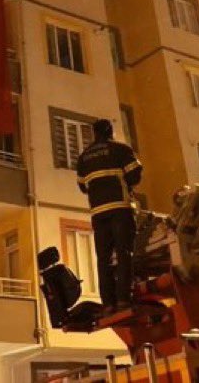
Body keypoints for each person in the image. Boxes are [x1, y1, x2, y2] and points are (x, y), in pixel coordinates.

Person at [75, 119, 143, 313]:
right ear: (110, 131)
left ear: (94, 133)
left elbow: (82, 186)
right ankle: (123, 298)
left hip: (98, 212)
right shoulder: (120, 149)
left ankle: (108, 303)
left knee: (103, 258)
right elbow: (135, 175)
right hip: (120, 208)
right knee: (124, 254)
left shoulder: (83, 158)